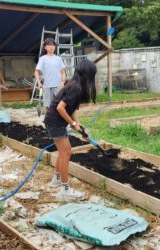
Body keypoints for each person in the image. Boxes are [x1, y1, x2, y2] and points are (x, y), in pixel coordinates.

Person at [44, 59, 97, 201]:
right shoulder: (76, 87)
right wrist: (72, 124)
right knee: (66, 152)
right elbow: (60, 108)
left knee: (63, 152)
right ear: (88, 74)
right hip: (55, 121)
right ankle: (64, 190)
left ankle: (56, 180)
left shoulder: (75, 85)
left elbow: (71, 109)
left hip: (55, 120)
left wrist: (79, 126)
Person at [34, 37, 66, 109]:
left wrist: (62, 82)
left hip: (58, 86)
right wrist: (39, 83)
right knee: (48, 106)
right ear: (45, 47)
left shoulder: (58, 59)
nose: (52, 47)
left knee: (59, 105)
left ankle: (57, 119)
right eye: (49, 45)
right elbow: (36, 72)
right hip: (47, 86)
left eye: (53, 45)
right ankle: (48, 120)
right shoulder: (42, 59)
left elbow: (63, 72)